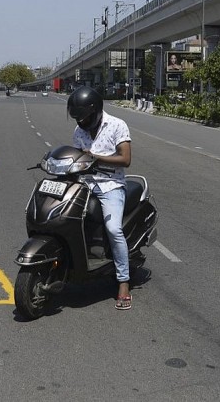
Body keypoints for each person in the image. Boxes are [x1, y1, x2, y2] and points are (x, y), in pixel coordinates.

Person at [66, 86, 133, 310]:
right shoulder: (79, 131)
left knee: (113, 229)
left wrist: (96, 158)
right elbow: (76, 157)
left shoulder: (116, 125)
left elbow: (125, 159)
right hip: (85, 183)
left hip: (111, 185)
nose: (81, 122)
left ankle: (123, 281)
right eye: (77, 118)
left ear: (95, 111)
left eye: (84, 117)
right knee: (65, 215)